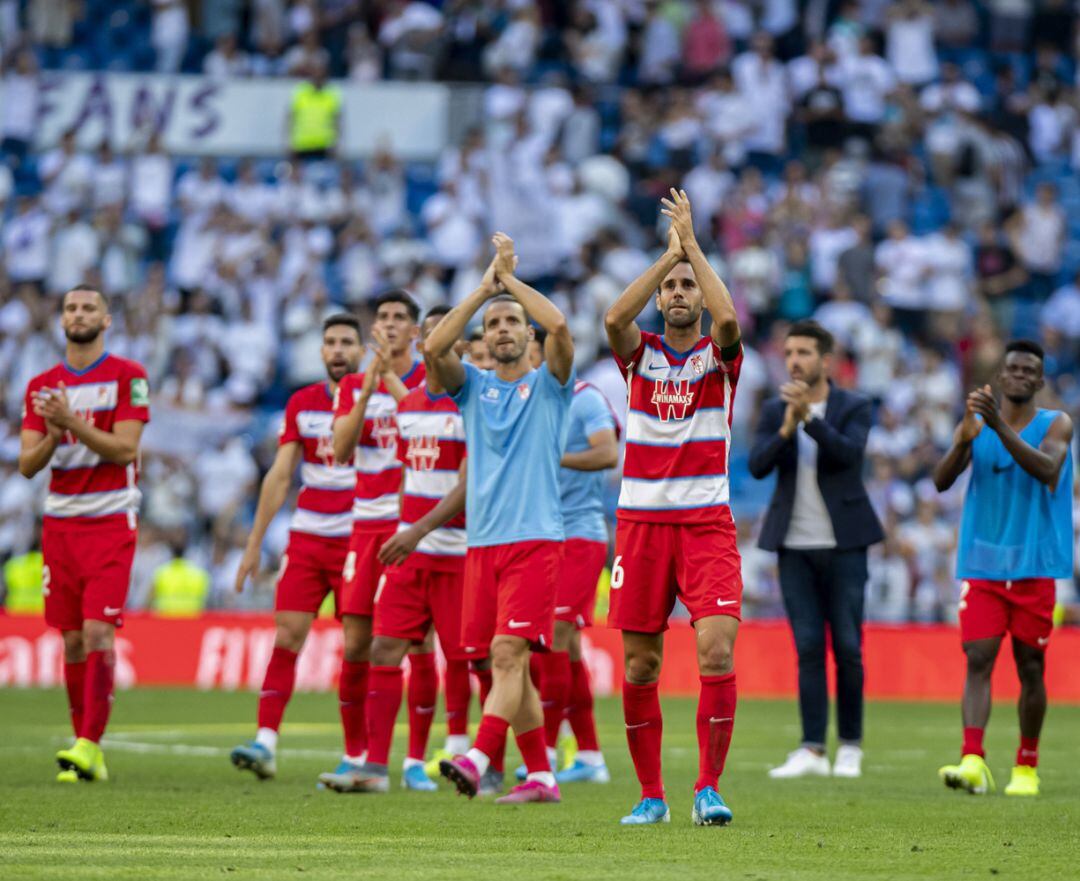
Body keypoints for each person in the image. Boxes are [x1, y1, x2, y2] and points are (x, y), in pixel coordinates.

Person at [603, 189, 743, 827]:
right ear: (661, 298)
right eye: (674, 287)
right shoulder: (641, 357)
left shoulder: (719, 358)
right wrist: (667, 259)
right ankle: (651, 795)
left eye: (690, 284)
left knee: (716, 651)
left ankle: (707, 788)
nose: (682, 292)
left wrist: (693, 248)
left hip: (706, 525)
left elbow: (732, 322)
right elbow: (611, 319)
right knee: (641, 662)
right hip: (640, 527)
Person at [429, 233, 575, 805]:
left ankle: (479, 754)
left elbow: (561, 328)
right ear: (484, 341)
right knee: (502, 668)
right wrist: (484, 288)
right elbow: (436, 350)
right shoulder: (474, 389)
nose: (505, 329)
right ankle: (540, 775)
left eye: (513, 322)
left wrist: (510, 282)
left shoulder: (551, 387)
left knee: (508, 655)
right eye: (494, 326)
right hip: (482, 543)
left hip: (535, 541)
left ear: (527, 334)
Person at [319, 305, 474, 794]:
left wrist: (416, 530)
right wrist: (406, 530)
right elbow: (408, 473)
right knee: (382, 648)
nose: (431, 344)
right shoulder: (410, 407)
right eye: (429, 336)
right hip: (406, 548)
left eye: (440, 337)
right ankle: (373, 766)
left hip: (454, 551)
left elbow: (470, 485)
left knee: (468, 658)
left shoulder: (471, 404)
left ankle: (475, 754)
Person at [18, 285, 151, 783]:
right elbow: (29, 465)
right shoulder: (41, 386)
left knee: (98, 631)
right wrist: (53, 434)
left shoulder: (128, 377)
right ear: (61, 320)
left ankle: (90, 744)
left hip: (111, 519)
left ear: (107, 319)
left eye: (88, 307)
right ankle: (83, 747)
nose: (79, 314)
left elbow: (124, 450)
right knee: (72, 640)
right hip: (60, 524)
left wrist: (71, 420)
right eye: (71, 308)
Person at [932, 341, 1073, 798]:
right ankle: (973, 759)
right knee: (978, 658)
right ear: (1000, 373)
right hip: (984, 564)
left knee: (1030, 667)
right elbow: (941, 481)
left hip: (1035, 564)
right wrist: (962, 440)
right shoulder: (977, 423)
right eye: (1010, 367)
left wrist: (994, 425)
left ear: (1039, 380)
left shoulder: (1057, 423)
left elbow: (1047, 469)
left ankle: (1026, 765)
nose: (1017, 375)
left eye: (1027, 370)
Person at [747, 320, 883, 780]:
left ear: (826, 360)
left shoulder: (854, 405)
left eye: (803, 352)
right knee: (807, 647)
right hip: (794, 545)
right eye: (788, 353)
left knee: (847, 647)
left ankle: (849, 745)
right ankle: (810, 748)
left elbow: (849, 456)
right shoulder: (774, 408)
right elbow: (758, 466)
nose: (794, 361)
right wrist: (787, 428)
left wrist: (811, 420)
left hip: (845, 543)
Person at [228, 314, 362, 780]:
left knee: (357, 646)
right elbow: (281, 475)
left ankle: (357, 752)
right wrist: (253, 544)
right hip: (308, 536)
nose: (339, 349)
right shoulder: (302, 403)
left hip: (358, 538)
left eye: (347, 341)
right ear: (321, 351)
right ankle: (265, 741)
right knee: (287, 634)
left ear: (361, 351)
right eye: (331, 342)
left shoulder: (376, 401)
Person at [319, 292, 427, 786]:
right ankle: (357, 751)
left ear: (415, 332)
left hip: (413, 523)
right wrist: (364, 390)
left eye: (398, 318)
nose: (387, 325)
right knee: (357, 642)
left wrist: (385, 377)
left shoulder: (430, 378)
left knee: (415, 644)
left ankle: (416, 759)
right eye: (381, 317)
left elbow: (421, 426)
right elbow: (340, 451)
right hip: (364, 526)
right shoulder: (352, 386)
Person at [520, 331, 619, 785]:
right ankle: (591, 756)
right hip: (538, 535)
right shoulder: (524, 400)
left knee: (555, 636)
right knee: (567, 646)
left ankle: (543, 750)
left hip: (580, 534)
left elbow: (607, 452)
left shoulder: (585, 399)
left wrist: (552, 457)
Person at [287, 59, 342, 162]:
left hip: (323, 144)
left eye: (321, 74)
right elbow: (290, 119)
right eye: (315, 73)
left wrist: (336, 144)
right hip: (302, 144)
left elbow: (337, 122)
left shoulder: (332, 95)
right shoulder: (300, 92)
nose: (318, 77)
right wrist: (289, 143)